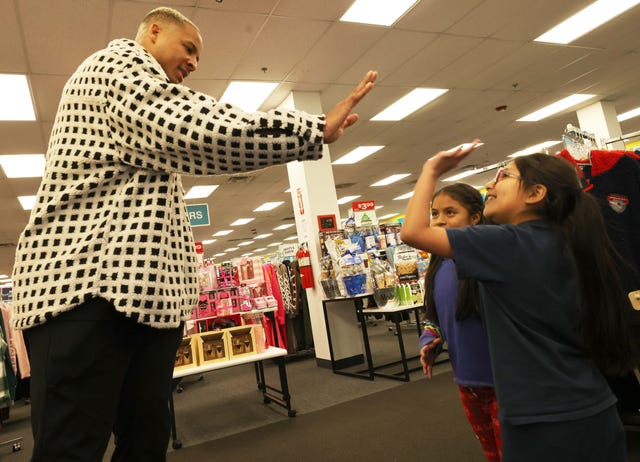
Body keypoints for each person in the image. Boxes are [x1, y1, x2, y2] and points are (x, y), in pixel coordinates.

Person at [11, 7, 377, 461]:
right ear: (154, 32)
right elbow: (192, 127)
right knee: (71, 449)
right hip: (84, 294)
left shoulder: (142, 105)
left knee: (145, 441)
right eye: (189, 49)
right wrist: (311, 129)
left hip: (137, 307)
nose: (194, 64)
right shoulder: (114, 67)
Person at [401, 143, 640, 462]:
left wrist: (431, 168)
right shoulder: (564, 239)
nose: (491, 184)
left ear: (534, 193)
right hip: (592, 406)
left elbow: (413, 232)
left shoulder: (509, 244)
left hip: (543, 422)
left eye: (504, 175)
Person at [418, 183, 501, 462]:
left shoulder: (488, 257)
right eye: (435, 213)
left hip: (504, 381)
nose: (440, 220)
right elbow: (435, 317)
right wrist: (429, 340)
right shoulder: (438, 265)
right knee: (491, 453)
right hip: (467, 382)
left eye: (450, 212)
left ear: (475, 217)